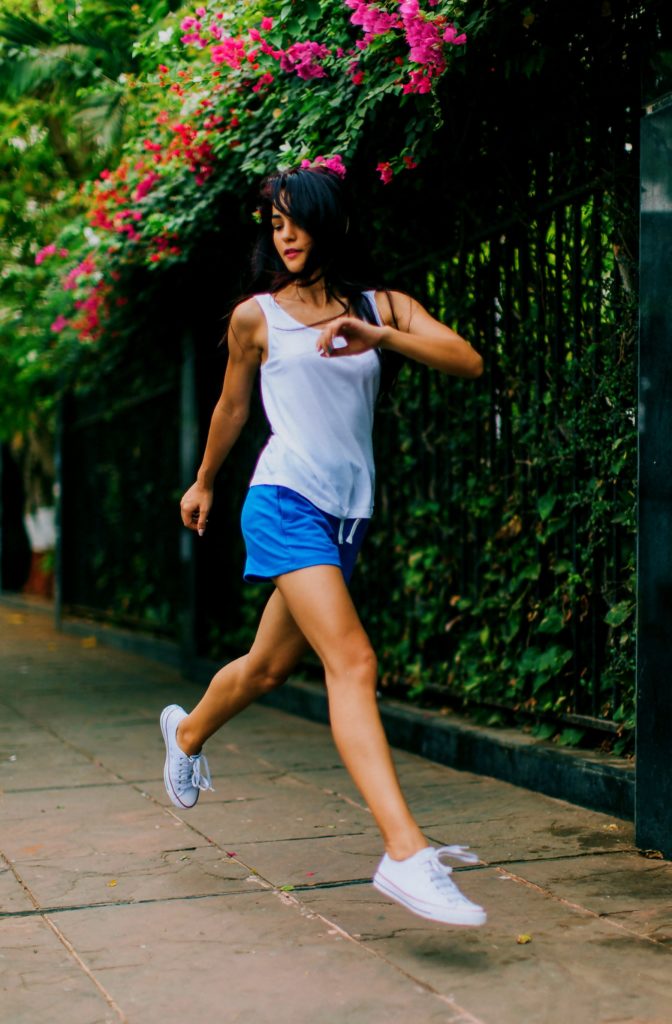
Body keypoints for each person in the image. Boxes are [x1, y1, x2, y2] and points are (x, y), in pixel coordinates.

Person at [160, 165, 486, 927]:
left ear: (328, 221)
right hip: (284, 500)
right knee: (354, 662)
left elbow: (468, 360)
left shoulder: (382, 305)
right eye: (275, 224)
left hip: (347, 515)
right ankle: (404, 852)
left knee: (269, 667)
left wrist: (382, 336)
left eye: (297, 220)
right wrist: (204, 481)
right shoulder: (257, 317)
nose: (286, 236)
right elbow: (232, 407)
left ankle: (188, 731)